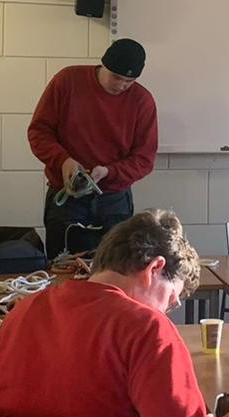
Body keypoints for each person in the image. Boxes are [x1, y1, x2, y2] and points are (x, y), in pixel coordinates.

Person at [0, 208, 209, 417]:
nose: (165, 312)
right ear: (154, 268)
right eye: (170, 300)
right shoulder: (148, 329)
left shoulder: (20, 313)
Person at [28, 38, 158, 258]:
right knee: (62, 266)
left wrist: (109, 172)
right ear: (103, 65)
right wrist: (63, 161)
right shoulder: (67, 81)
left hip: (114, 201)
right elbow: (39, 132)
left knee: (115, 267)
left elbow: (144, 159)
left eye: (129, 81)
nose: (121, 85)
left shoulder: (142, 101)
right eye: (116, 77)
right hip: (67, 198)